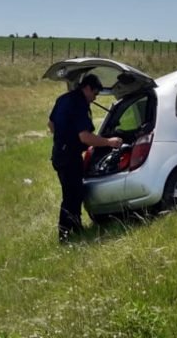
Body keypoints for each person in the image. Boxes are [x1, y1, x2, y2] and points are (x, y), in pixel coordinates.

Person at [48, 74, 122, 243]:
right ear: (87, 88)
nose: (94, 98)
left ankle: (76, 227)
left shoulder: (64, 99)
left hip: (59, 153)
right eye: (95, 94)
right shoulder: (80, 103)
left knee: (75, 192)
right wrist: (108, 142)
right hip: (69, 157)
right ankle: (64, 235)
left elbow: (51, 124)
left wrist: (64, 137)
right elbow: (85, 137)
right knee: (72, 195)